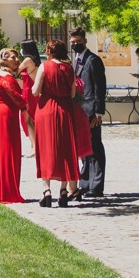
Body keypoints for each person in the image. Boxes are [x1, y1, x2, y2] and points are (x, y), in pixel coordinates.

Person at [31, 38, 80, 207]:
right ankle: (64, 190)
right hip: (65, 109)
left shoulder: (45, 66)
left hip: (47, 110)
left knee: (46, 148)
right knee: (65, 149)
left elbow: (35, 91)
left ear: (49, 52)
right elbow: (73, 93)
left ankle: (46, 190)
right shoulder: (69, 68)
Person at [70, 26, 108, 198]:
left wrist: (99, 112)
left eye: (78, 42)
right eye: (72, 42)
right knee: (84, 149)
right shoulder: (75, 60)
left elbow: (100, 88)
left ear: (85, 41)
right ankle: (85, 183)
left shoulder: (93, 60)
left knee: (95, 148)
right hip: (79, 111)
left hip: (91, 111)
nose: (75, 44)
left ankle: (97, 185)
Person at [0, 48, 27, 204]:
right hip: (7, 114)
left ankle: (0, 190)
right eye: (13, 57)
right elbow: (16, 97)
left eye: (17, 57)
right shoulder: (7, 77)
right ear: (4, 60)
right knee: (9, 151)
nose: (17, 60)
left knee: (1, 151)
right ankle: (9, 192)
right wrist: (26, 103)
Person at [19, 55, 39, 158]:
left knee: (28, 120)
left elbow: (16, 71)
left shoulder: (27, 60)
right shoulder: (35, 60)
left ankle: (34, 147)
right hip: (30, 91)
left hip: (28, 92)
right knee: (31, 119)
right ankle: (35, 145)